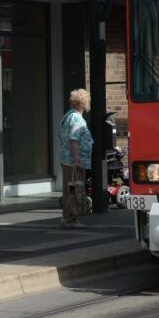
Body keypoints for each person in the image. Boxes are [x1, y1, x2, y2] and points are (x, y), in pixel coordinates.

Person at [57, 88, 93, 229]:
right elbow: (74, 139)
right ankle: (71, 219)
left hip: (66, 158)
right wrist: (77, 159)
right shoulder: (77, 118)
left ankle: (67, 217)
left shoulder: (68, 116)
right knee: (74, 188)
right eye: (87, 101)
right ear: (83, 103)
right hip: (73, 161)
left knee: (69, 189)